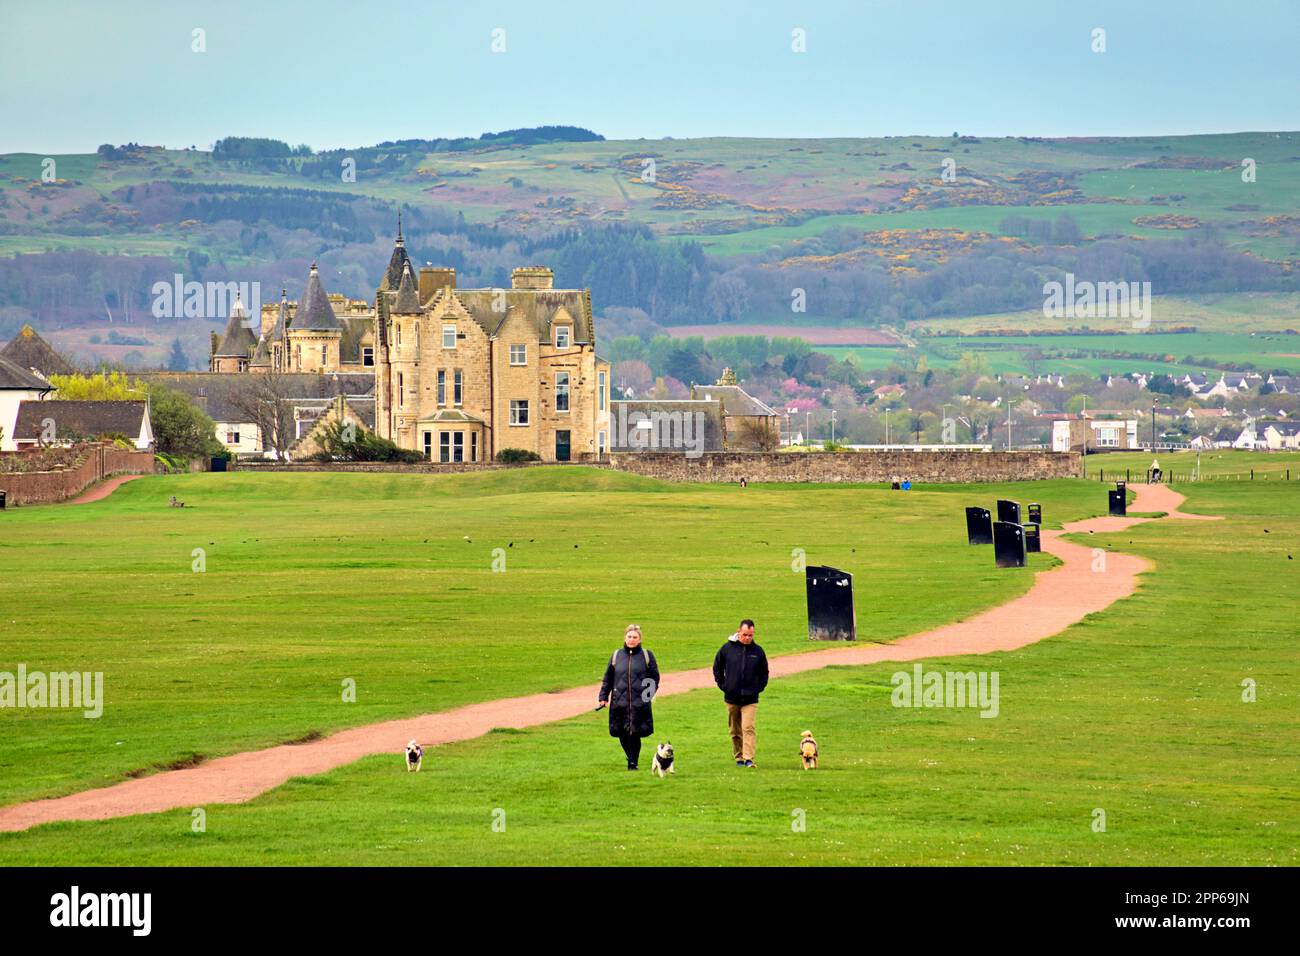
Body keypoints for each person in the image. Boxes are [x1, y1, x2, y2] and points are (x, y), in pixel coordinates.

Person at [597, 624, 660, 770]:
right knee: (621, 732)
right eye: (629, 637)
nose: (631, 640)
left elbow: (654, 677)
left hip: (639, 702)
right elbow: (608, 678)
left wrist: (647, 696)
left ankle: (633, 761)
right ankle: (630, 756)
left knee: (634, 732)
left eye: (635, 637)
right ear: (625, 637)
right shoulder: (616, 656)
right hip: (619, 701)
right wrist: (603, 696)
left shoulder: (647, 655)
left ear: (640, 639)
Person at [712, 619, 769, 768]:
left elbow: (764, 673)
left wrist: (758, 688)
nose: (748, 638)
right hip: (732, 698)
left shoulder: (758, 651)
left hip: (750, 699)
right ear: (739, 632)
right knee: (735, 730)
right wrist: (724, 685)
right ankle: (739, 757)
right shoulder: (727, 649)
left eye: (750, 635)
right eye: (745, 635)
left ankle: (749, 758)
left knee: (748, 727)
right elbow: (717, 667)